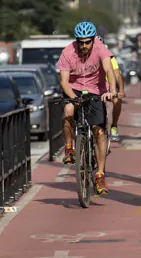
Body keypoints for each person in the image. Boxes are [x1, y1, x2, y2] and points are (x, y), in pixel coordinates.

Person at [57, 22, 118, 195]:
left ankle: (99, 174)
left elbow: (109, 71)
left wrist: (112, 92)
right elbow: (63, 81)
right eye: (80, 42)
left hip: (96, 89)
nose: (84, 46)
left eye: (87, 42)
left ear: (93, 40)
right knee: (68, 110)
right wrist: (74, 98)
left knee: (99, 131)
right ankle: (69, 147)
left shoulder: (100, 48)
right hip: (74, 88)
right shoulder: (68, 52)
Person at [95, 36, 125, 141]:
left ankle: (114, 126)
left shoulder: (109, 57)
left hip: (107, 87)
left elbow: (117, 74)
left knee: (117, 101)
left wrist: (121, 90)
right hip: (93, 87)